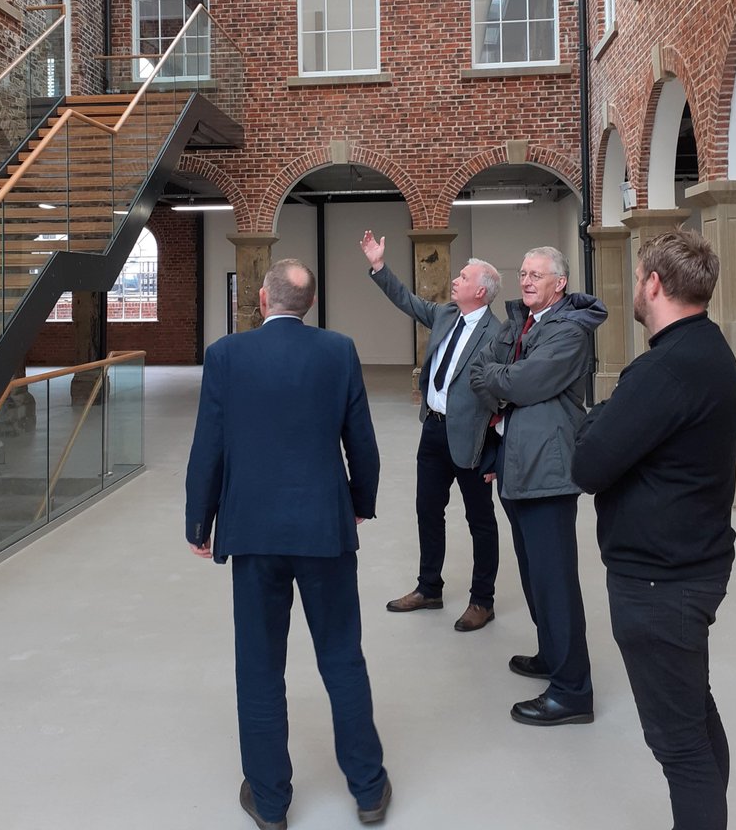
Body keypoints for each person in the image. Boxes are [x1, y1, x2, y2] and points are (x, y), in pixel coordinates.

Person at [185, 258, 392, 830]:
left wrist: (199, 522)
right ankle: (368, 790)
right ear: (310, 304)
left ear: (261, 298)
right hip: (324, 528)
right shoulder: (338, 351)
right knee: (342, 657)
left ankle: (270, 800)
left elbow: (209, 445)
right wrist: (360, 502)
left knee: (258, 666)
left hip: (253, 531)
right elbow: (362, 441)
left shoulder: (226, 355)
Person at [573, 229, 736, 830]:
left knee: (680, 747)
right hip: (691, 567)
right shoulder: (707, 349)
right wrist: (606, 420)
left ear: (653, 283)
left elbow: (588, 465)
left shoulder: (662, 370)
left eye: (638, 277)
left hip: (659, 584)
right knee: (694, 715)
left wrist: (598, 420)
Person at [470, 246, 606, 726]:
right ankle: (552, 654)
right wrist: (503, 382)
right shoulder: (523, 322)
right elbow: (480, 372)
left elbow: (522, 384)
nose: (525, 281)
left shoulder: (569, 330)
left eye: (536, 275)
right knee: (533, 575)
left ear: (560, 283)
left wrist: (503, 382)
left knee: (555, 581)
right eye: (523, 273)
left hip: (547, 471)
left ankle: (573, 692)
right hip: (517, 465)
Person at [359, 229, 501, 632]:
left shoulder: (497, 335)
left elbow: (504, 393)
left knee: (480, 521)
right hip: (434, 432)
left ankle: (482, 600)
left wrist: (496, 449)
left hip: (472, 439)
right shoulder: (446, 315)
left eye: (463, 277)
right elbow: (406, 300)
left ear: (481, 291)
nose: (455, 280)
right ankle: (429, 589)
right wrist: (378, 266)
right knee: (428, 511)